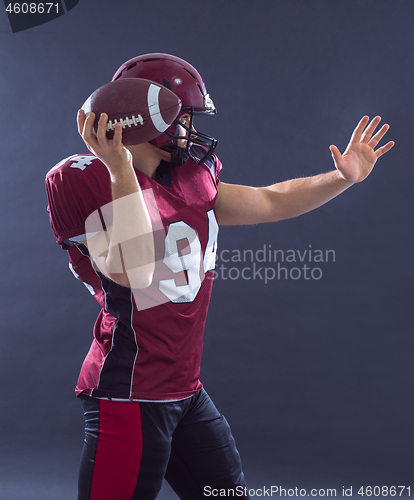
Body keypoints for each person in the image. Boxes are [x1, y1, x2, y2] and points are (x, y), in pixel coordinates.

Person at [45, 53, 394, 500]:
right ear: (144, 120)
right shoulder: (83, 178)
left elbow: (269, 200)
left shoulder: (192, 176)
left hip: (184, 389)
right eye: (184, 117)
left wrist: (341, 179)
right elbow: (134, 269)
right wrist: (120, 168)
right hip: (128, 394)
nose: (191, 130)